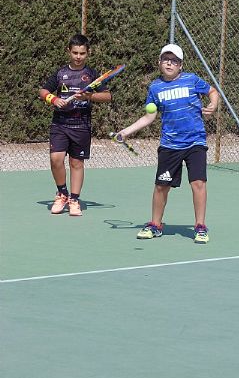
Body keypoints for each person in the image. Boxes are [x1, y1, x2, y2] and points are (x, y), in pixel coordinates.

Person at [119, 44, 219, 244]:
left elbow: (212, 91)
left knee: (198, 183)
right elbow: (149, 117)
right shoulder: (155, 88)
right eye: (166, 59)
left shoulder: (191, 80)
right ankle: (155, 225)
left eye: (174, 61)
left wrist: (213, 104)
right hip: (170, 145)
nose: (169, 63)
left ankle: (200, 226)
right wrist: (126, 131)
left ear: (181, 65)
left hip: (195, 142)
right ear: (159, 63)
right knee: (161, 187)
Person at [39, 34, 111, 216]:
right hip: (60, 124)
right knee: (56, 159)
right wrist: (53, 99)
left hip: (81, 125)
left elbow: (107, 96)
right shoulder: (60, 73)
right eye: (75, 53)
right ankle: (62, 194)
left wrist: (89, 96)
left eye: (82, 53)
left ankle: (74, 200)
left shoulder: (92, 75)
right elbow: (43, 90)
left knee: (76, 162)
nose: (78, 57)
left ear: (88, 53)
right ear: (68, 52)